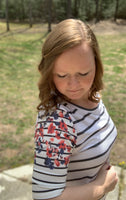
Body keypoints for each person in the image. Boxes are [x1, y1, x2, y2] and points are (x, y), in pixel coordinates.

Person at [32, 19, 118, 200]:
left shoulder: (92, 95)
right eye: (62, 75)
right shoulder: (57, 123)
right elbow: (46, 198)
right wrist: (102, 186)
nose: (74, 85)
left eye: (84, 73)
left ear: (96, 64)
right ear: (48, 72)